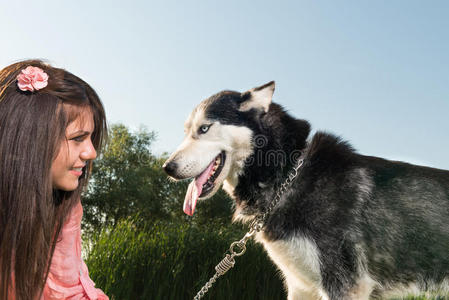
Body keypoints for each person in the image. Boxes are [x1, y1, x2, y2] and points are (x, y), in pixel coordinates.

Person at [0, 60, 109, 300]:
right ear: (30, 139)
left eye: (91, 138)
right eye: (78, 138)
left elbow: (69, 289)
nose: (91, 153)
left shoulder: (67, 208)